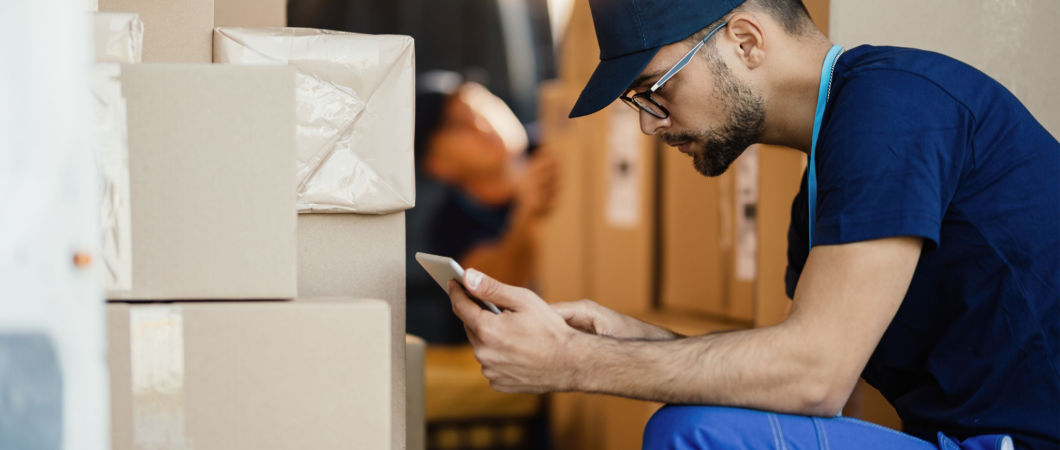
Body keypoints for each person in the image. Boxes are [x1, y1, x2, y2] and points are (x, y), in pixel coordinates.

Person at [440, 0, 1060, 448]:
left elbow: (815, 376)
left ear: (745, 40)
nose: (650, 125)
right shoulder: (818, 194)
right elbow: (810, 390)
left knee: (694, 432)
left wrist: (572, 362)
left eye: (653, 89)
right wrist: (624, 342)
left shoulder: (895, 108)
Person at [406, 71, 558, 344]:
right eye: (459, 124)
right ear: (437, 165)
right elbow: (493, 289)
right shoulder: (449, 225)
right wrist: (526, 217)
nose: (482, 122)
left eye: (478, 103)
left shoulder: (563, 146)